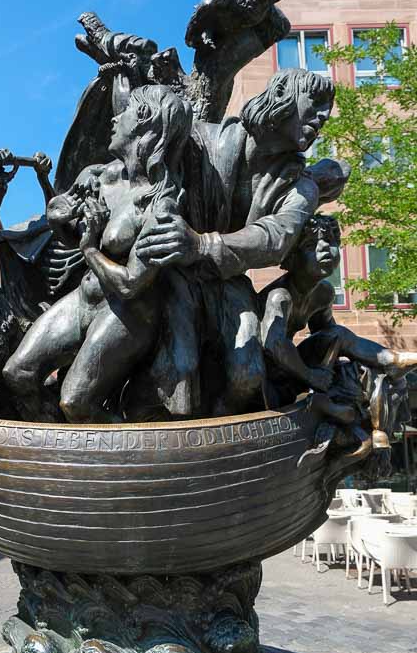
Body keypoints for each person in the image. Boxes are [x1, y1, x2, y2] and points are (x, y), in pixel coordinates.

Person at [129, 68, 341, 419]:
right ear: (283, 99)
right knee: (177, 374)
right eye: (314, 103)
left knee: (249, 375)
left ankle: (222, 440)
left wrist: (201, 244)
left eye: (327, 111)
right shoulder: (200, 141)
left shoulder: (301, 187)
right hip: (170, 275)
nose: (321, 117)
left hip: (225, 280)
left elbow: (277, 237)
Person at [2, 85, 193, 423]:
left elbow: (132, 284)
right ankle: (57, 456)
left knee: (75, 402)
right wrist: (61, 217)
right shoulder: (99, 177)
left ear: (144, 123)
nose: (115, 118)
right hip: (86, 298)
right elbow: (64, 221)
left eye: (126, 111)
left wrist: (88, 247)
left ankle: (135, 467)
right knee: (17, 372)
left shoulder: (160, 204)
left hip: (129, 314)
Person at [259, 213, 417, 409]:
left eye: (331, 242)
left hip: (294, 368)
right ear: (291, 258)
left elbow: (327, 334)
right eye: (310, 246)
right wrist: (311, 376)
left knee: (338, 336)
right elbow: (273, 344)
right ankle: (389, 360)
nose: (324, 248)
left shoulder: (323, 293)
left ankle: (391, 361)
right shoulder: (279, 297)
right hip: (267, 377)